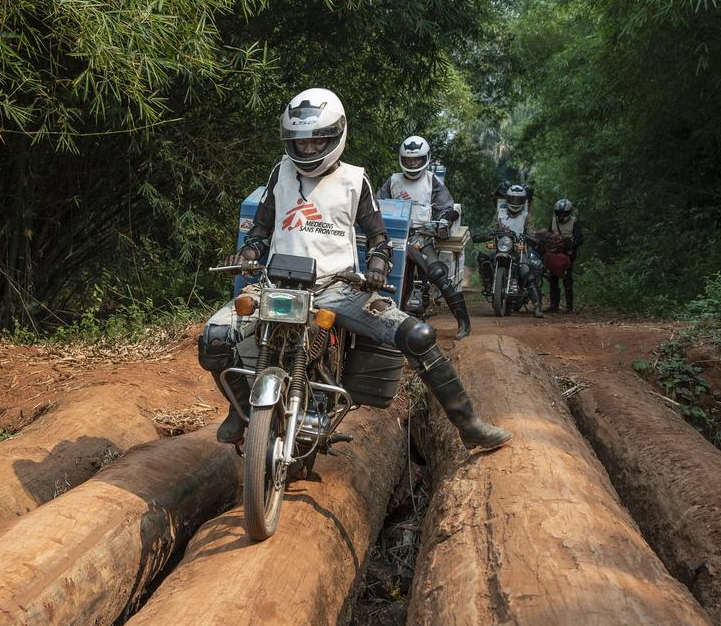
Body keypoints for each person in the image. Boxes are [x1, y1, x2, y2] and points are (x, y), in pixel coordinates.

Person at [198, 88, 510, 450]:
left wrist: (378, 265)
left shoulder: (354, 180)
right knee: (214, 338)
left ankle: (469, 425)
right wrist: (249, 251)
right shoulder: (280, 173)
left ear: (336, 136)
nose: (309, 149)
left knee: (419, 336)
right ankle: (240, 410)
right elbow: (262, 230)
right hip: (275, 284)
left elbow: (379, 238)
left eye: (318, 141)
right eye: (300, 143)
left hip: (338, 286)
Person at [378, 136, 471, 339]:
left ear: (425, 159)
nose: (412, 164)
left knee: (438, 273)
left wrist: (444, 218)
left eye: (417, 160)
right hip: (395, 239)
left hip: (422, 238)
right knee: (379, 272)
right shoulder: (393, 181)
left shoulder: (431, 180)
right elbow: (378, 205)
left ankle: (463, 322)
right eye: (409, 160)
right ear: (402, 159)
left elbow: (447, 207)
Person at [477, 183, 544, 318]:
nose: (514, 203)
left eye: (518, 200)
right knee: (483, 258)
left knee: (527, 272)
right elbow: (492, 228)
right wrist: (486, 235)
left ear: (523, 201)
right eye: (512, 199)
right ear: (507, 199)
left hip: (519, 250)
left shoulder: (526, 216)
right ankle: (489, 285)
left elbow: (532, 233)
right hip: (502, 247)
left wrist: (530, 238)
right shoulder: (500, 213)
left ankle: (537, 306)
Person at [544, 198, 583, 313]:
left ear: (568, 213)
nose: (561, 215)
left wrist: (569, 244)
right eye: (559, 213)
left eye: (564, 213)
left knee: (567, 279)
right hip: (555, 253)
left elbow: (580, 239)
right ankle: (554, 305)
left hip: (568, 254)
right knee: (553, 278)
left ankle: (569, 307)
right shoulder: (552, 222)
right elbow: (548, 236)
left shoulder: (574, 222)